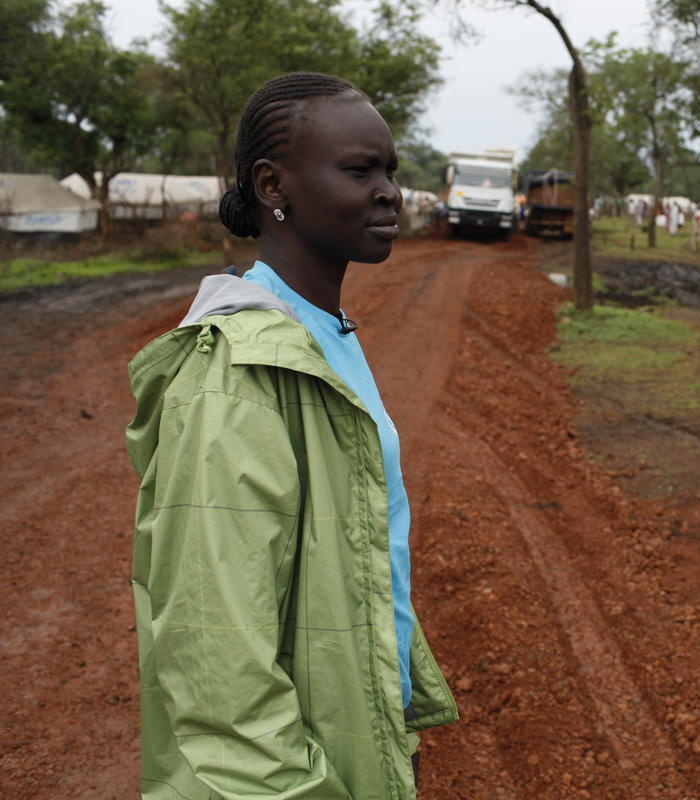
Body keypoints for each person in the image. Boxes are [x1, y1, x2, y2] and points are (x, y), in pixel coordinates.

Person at [125, 72, 457, 800]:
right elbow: (220, 669)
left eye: (391, 172)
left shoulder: (320, 335)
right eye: (359, 170)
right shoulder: (233, 376)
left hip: (358, 736)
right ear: (273, 186)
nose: (390, 192)